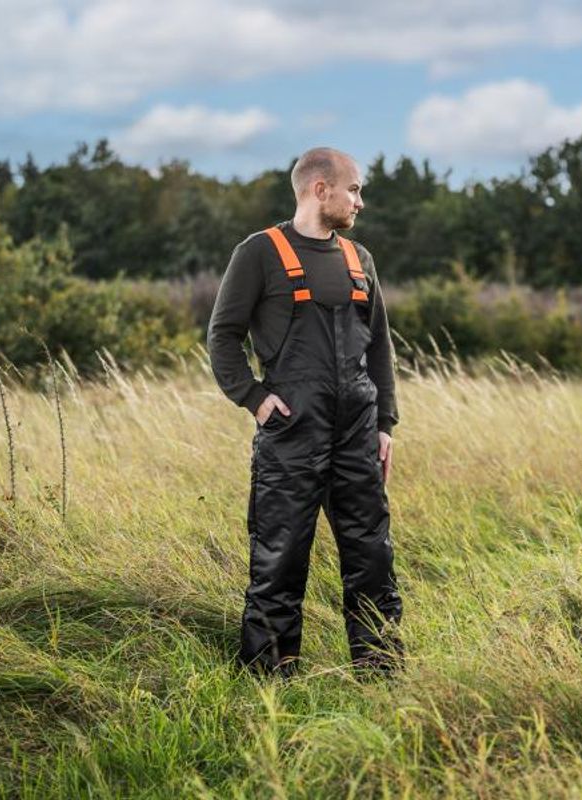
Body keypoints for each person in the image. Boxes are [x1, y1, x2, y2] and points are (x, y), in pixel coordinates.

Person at [207, 147, 403, 677]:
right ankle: (271, 678)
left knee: (372, 555)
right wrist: (253, 398)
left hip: (357, 429)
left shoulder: (360, 259)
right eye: (354, 189)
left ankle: (380, 672)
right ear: (321, 190)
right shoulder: (259, 253)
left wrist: (385, 424)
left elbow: (379, 346)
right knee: (281, 557)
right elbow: (222, 337)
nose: (360, 201)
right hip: (291, 428)